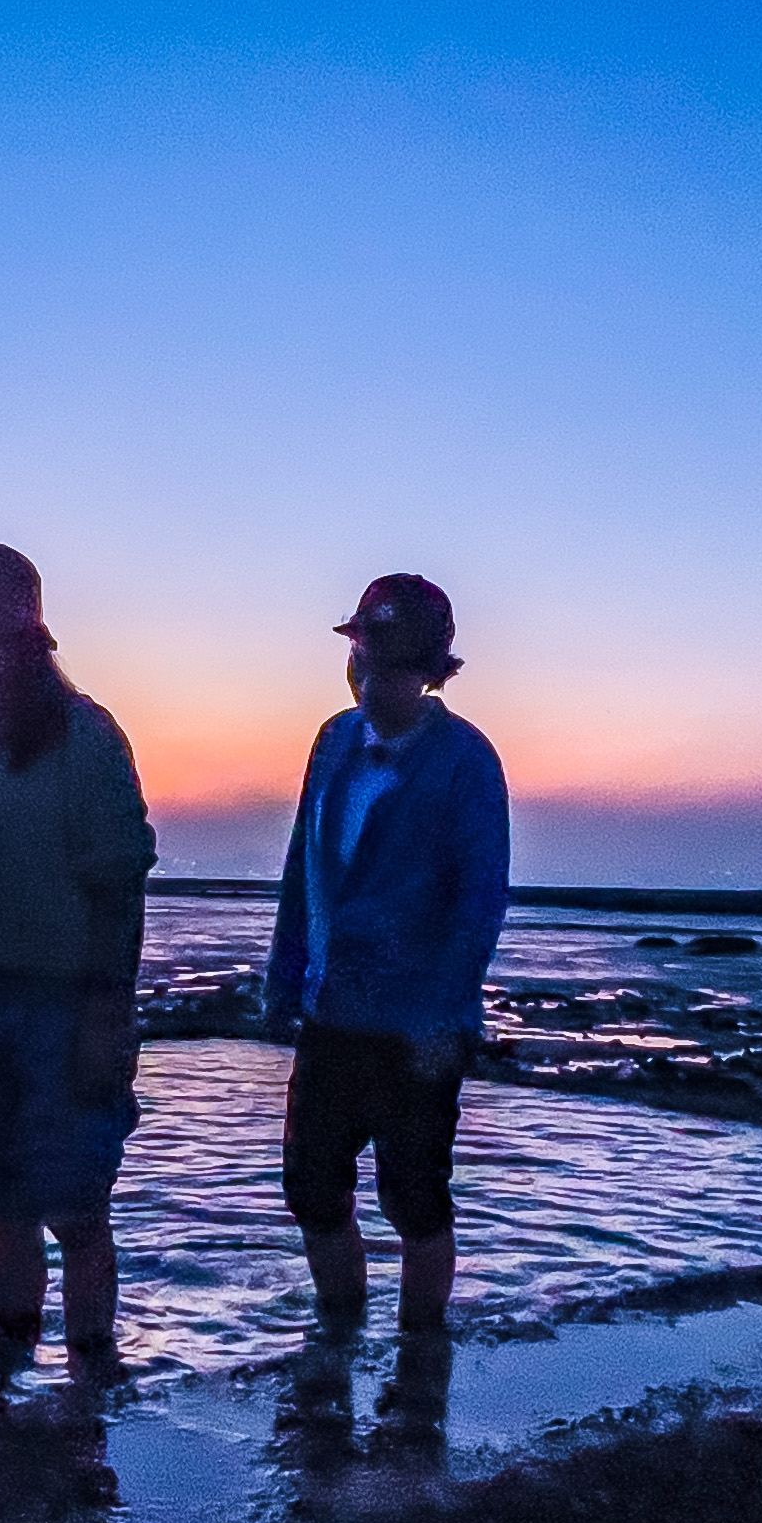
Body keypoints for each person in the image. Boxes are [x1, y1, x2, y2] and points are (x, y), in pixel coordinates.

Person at [0, 540, 159, 1367]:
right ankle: (6, 1386)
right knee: (5, 1203)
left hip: (70, 1003)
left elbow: (119, 889)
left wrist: (102, 1019)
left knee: (77, 1210)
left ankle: (89, 1389)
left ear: (15, 634)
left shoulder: (87, 738)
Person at [262, 573, 511, 1339]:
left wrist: (445, 1013)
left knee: (414, 1196)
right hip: (331, 1011)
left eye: (395, 664)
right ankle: (338, 1333)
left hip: (419, 1026)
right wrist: (282, 981)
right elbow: (304, 868)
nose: (373, 677)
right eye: (365, 657)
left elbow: (480, 900)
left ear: (432, 671)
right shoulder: (332, 741)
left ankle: (418, 1350)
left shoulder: (466, 761)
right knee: (310, 1187)